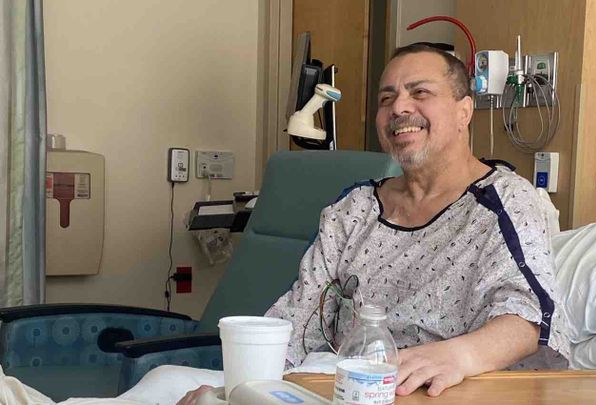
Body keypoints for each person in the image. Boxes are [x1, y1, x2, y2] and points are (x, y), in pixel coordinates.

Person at [175, 43, 569, 404]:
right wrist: (237, 390)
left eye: (420, 92)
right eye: (387, 98)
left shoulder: (502, 201)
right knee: (167, 382)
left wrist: (457, 356)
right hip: (339, 387)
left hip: (445, 392)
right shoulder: (355, 209)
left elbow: (529, 316)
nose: (399, 108)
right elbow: (300, 315)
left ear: (463, 111)